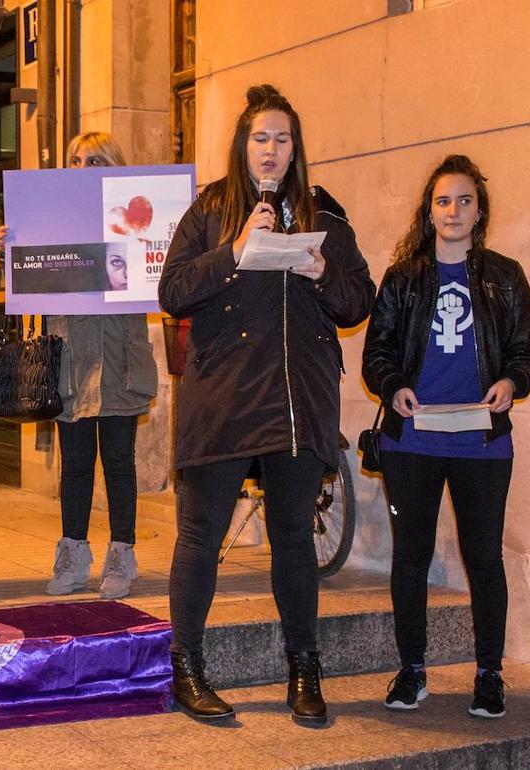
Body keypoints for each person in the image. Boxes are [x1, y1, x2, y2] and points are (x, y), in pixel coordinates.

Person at [159, 85, 374, 724]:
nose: (272, 150)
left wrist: (322, 273)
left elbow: (359, 301)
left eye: (282, 139)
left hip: (295, 401)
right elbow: (172, 290)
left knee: (292, 542)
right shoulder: (210, 212)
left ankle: (304, 672)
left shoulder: (325, 218)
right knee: (199, 536)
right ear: (243, 145)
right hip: (222, 399)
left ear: (295, 147)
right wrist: (233, 253)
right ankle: (186, 669)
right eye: (261, 138)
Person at [361, 155, 530, 719]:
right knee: (410, 558)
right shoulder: (404, 277)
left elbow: (527, 351)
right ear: (429, 210)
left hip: (481, 441)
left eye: (465, 200)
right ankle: (412, 672)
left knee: (485, 559)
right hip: (411, 440)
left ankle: (489, 676)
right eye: (443, 200)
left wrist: (512, 382)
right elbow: (377, 354)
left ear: (480, 210)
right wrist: (393, 387)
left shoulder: (505, 276)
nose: (453, 210)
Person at [41, 132, 158, 600]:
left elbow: (158, 273)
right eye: (75, 160)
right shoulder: (53, 221)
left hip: (120, 356)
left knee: (118, 462)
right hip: (73, 357)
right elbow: (31, 283)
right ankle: (72, 553)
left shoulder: (137, 221)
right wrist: (17, 244)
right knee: (75, 465)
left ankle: (121, 553)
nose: (82, 166)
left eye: (94, 160)